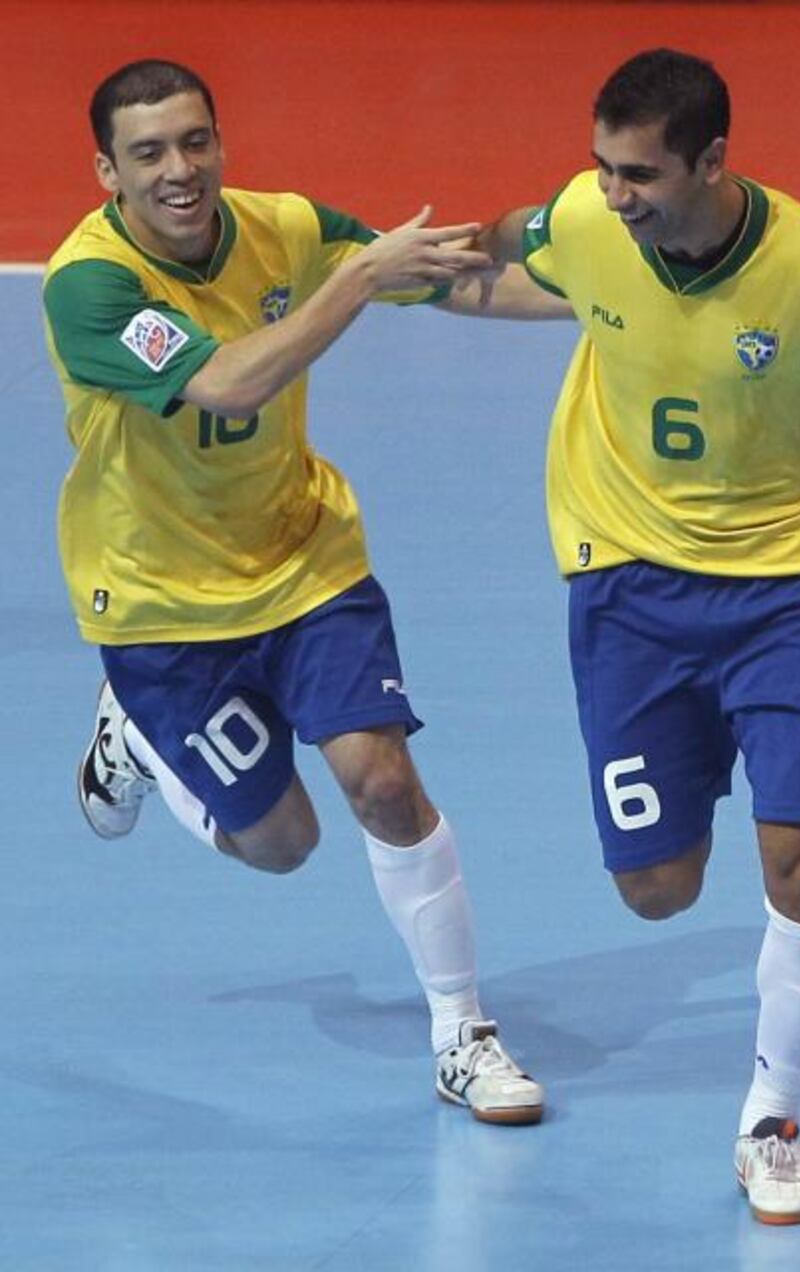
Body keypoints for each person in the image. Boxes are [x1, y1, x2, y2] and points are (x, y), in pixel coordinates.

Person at [470, 47, 800, 1219]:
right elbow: (508, 242)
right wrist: (372, 266)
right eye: (602, 168)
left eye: (638, 173)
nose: (613, 193)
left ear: (713, 162)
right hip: (629, 582)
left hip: (788, 585)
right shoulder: (587, 219)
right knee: (656, 889)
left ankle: (772, 1118)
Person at [43, 58, 562, 1126]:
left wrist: (605, 295)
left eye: (195, 141)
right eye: (148, 154)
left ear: (220, 144)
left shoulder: (282, 225)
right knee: (281, 845)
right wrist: (355, 280)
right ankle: (138, 741)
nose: (179, 170)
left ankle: (461, 1031)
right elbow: (234, 378)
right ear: (107, 173)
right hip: (161, 606)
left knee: (380, 781)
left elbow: (446, 276)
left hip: (303, 560)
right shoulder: (90, 286)